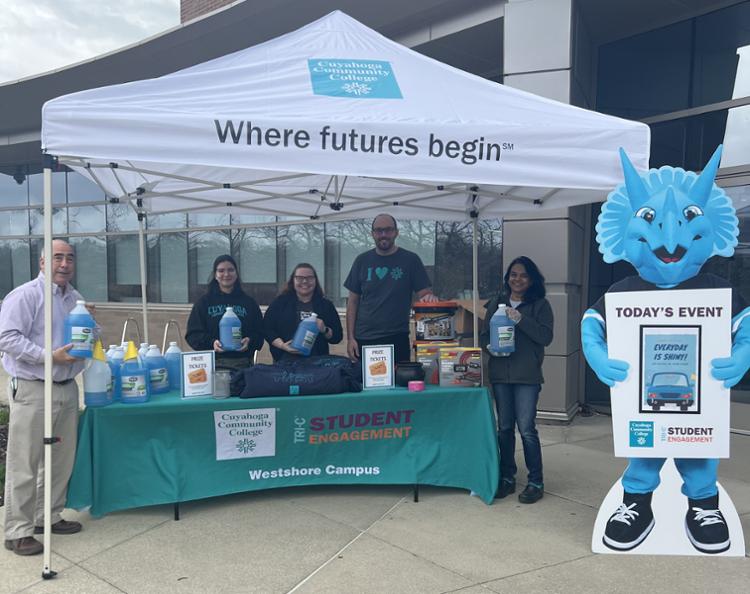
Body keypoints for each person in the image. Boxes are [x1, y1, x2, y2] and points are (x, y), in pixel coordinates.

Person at [1, 239, 92, 556]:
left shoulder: (75, 299)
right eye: (57, 258)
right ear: (42, 262)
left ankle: (47, 517)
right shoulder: (26, 295)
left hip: (67, 389)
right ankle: (17, 530)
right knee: (26, 462)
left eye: (69, 258)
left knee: (60, 461)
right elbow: (7, 338)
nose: (64, 264)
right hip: (34, 387)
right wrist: (47, 356)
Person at [482, 256, 553, 504]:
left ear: (531, 279)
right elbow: (484, 335)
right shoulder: (496, 303)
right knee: (504, 428)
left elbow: (545, 337)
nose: (517, 279)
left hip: (527, 376)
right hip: (500, 374)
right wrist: (489, 347)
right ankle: (507, 477)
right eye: (513, 274)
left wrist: (520, 319)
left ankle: (535, 481)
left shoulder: (540, 305)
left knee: (526, 429)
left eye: (523, 275)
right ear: (507, 278)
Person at [344, 214, 438, 364]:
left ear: (396, 232)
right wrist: (350, 339)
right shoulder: (362, 261)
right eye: (379, 230)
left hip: (397, 336)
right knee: (365, 385)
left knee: (399, 384)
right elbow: (352, 302)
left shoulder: (410, 260)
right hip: (365, 337)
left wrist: (430, 299)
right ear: (372, 234)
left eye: (388, 230)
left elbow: (424, 293)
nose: (383, 235)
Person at [185, 254, 263, 370]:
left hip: (243, 364)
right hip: (213, 364)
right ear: (215, 275)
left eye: (230, 270)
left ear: (236, 274)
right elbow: (192, 335)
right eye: (221, 271)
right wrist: (212, 343)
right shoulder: (204, 303)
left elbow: (260, 333)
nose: (226, 274)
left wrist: (250, 341)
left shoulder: (248, 303)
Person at [263, 263, 343, 361]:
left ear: (315, 280)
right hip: (284, 361)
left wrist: (324, 329)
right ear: (293, 280)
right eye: (300, 278)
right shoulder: (280, 303)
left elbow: (337, 337)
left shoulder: (326, 306)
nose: (305, 281)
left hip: (318, 364)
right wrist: (282, 345)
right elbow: (267, 329)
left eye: (309, 278)